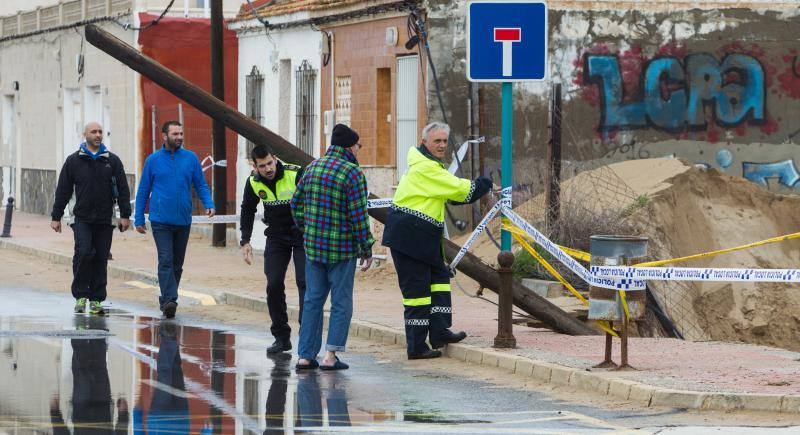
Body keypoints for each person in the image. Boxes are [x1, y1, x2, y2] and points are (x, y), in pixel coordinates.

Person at [383, 121, 493, 360]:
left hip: (423, 238)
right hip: (409, 239)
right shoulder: (425, 168)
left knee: (440, 280)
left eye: (445, 141)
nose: (442, 145)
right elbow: (461, 190)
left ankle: (439, 331)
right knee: (417, 292)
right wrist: (485, 184)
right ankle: (417, 346)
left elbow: (449, 195)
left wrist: (463, 194)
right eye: (437, 141)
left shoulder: (430, 165)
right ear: (425, 142)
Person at [291, 124, 373, 371]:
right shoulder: (353, 173)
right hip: (342, 249)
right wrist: (366, 247)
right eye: (357, 146)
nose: (358, 150)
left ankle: (305, 356)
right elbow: (358, 216)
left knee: (313, 300)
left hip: (314, 248)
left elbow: (295, 204)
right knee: (341, 302)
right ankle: (330, 356)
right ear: (349, 146)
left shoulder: (313, 167)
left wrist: (308, 229)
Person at [134, 121, 215, 319]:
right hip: (161, 220)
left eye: (181, 133)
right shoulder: (153, 160)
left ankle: (167, 300)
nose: (179, 137)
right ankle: (170, 299)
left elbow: (200, 184)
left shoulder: (191, 158)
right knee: (166, 259)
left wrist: (208, 203)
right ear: (164, 136)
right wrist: (138, 218)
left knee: (177, 264)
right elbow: (144, 190)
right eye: (175, 134)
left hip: (183, 220)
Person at [51, 122, 131, 315]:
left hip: (105, 218)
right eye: (93, 132)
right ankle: (80, 295)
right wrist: (56, 216)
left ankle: (96, 299)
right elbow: (63, 190)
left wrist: (125, 215)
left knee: (101, 257)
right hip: (81, 218)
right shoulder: (73, 161)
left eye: (100, 132)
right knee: (84, 252)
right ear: (84, 135)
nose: (98, 135)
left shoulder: (112, 161)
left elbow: (123, 190)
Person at [240, 145, 306, 354]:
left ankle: (307, 334)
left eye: (270, 163)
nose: (268, 169)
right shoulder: (253, 181)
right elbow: (247, 209)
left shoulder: (296, 174)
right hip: (277, 237)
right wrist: (245, 240)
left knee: (305, 283)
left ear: (275, 158)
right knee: (274, 284)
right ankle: (281, 337)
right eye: (262, 166)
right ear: (255, 166)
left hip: (302, 234)